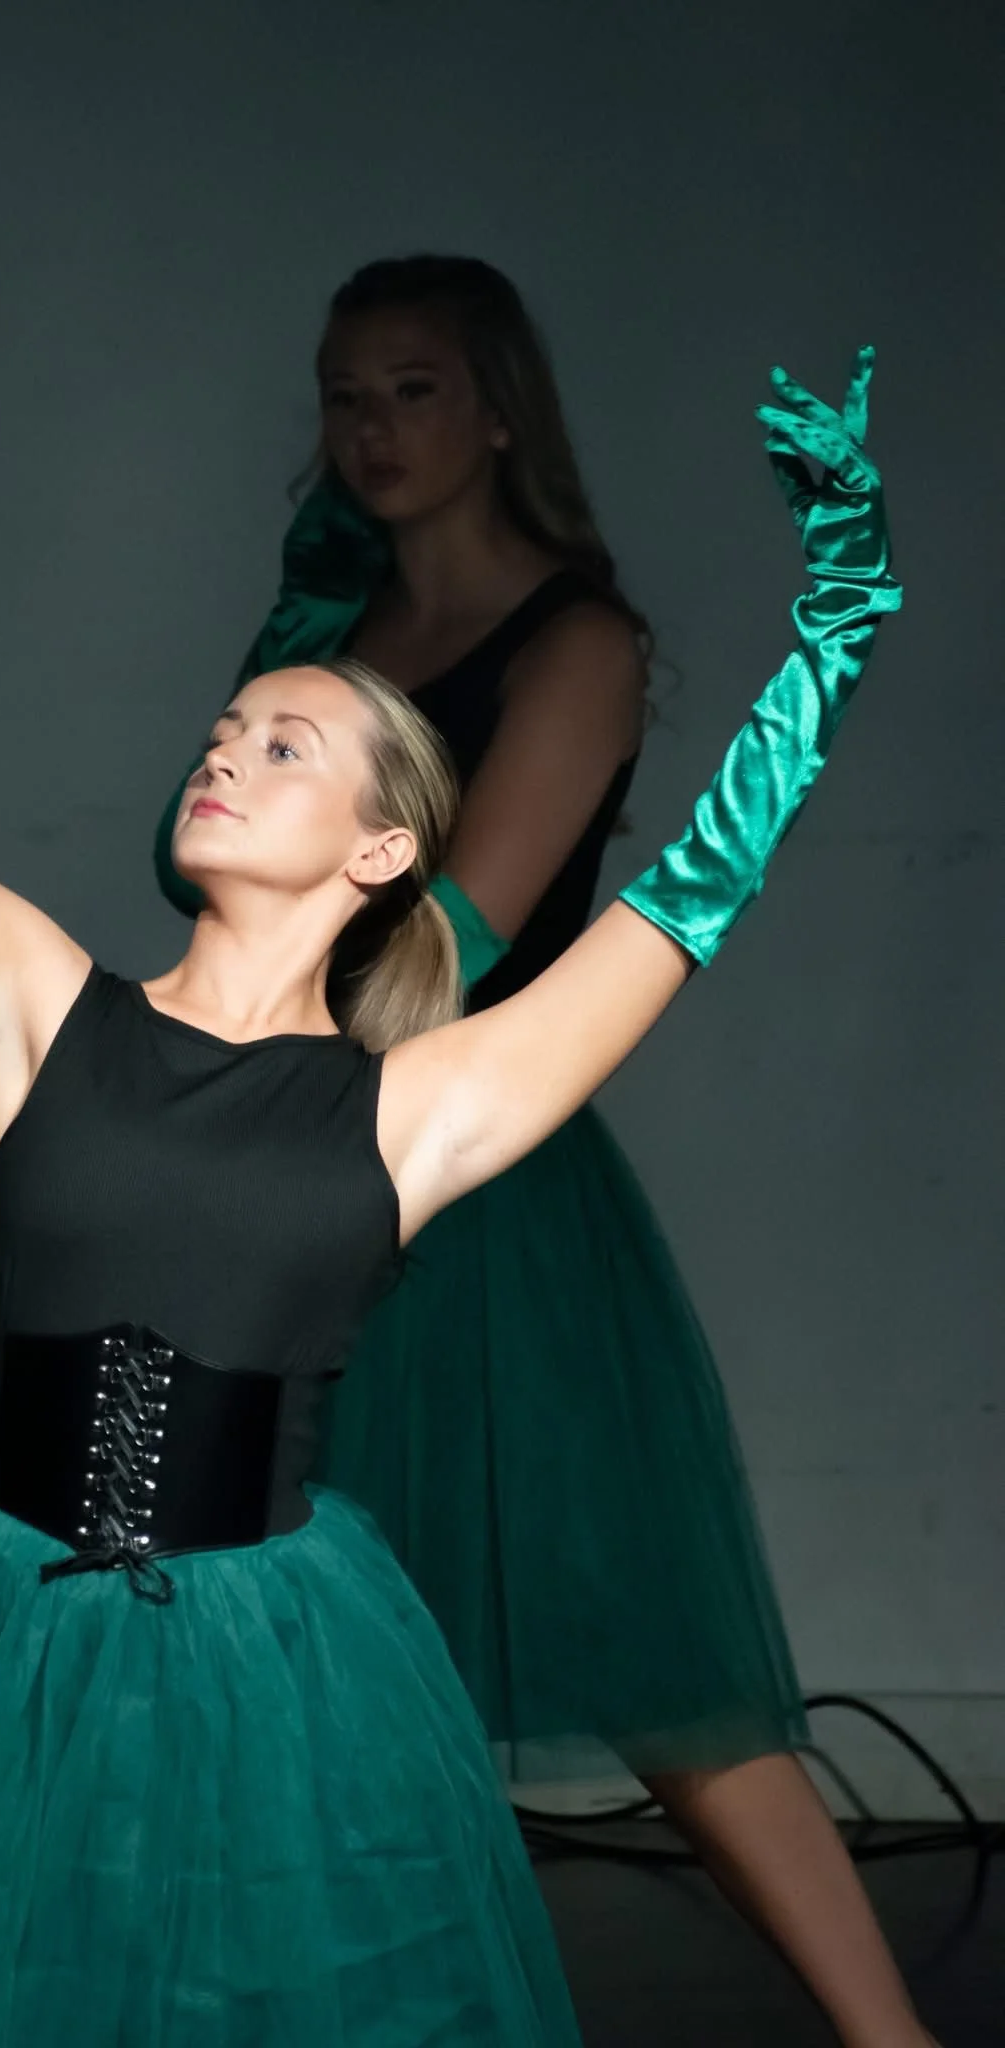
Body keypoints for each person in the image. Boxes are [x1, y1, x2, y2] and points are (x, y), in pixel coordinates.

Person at [0, 216, 898, 2046]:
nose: (229, 748)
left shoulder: (420, 1109)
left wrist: (840, 618)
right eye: (228, 726)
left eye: (289, 743)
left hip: (273, 1672)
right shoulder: (31, 1006)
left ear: (384, 847)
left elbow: (690, 893)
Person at [154, 255, 932, 2048]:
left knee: (653, 1660)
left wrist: (252, 1039)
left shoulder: (572, 640)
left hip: (469, 1177)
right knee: (289, 1632)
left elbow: (466, 936)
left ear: (500, 408)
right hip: (299, 1152)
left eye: (414, 389)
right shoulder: (333, 645)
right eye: (347, 394)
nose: (371, 428)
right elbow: (206, 880)